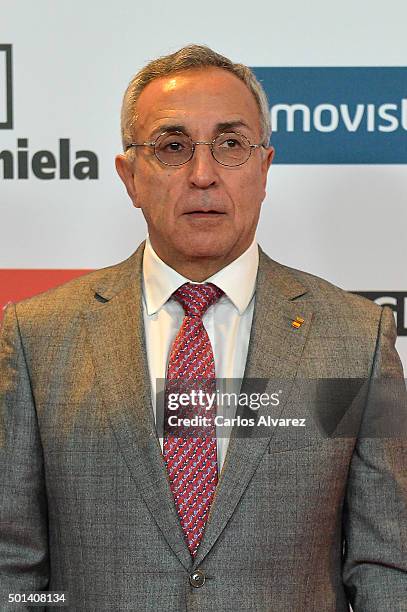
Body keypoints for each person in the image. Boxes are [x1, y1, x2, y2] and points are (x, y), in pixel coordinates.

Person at [0, 44, 406, 611]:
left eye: (231, 145)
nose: (203, 175)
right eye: (172, 147)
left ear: (264, 169)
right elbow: (12, 566)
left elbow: (388, 564)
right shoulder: (35, 336)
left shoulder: (356, 340)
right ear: (130, 176)